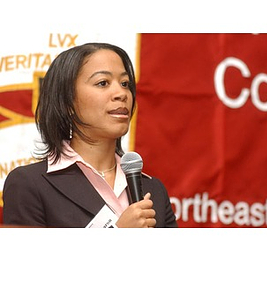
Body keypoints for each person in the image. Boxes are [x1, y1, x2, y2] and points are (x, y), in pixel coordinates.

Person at [3, 43, 177, 228]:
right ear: (67, 101)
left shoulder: (153, 189)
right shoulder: (30, 184)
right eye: (103, 83)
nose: (121, 94)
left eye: (125, 84)